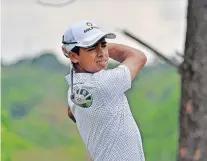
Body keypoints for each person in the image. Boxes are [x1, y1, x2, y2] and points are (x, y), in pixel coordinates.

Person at [62, 20, 147, 161]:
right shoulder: (103, 84)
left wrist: (91, 47)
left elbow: (71, 112)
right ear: (73, 56)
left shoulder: (74, 89)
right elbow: (138, 57)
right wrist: (104, 47)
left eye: (103, 45)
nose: (102, 53)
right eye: (91, 48)